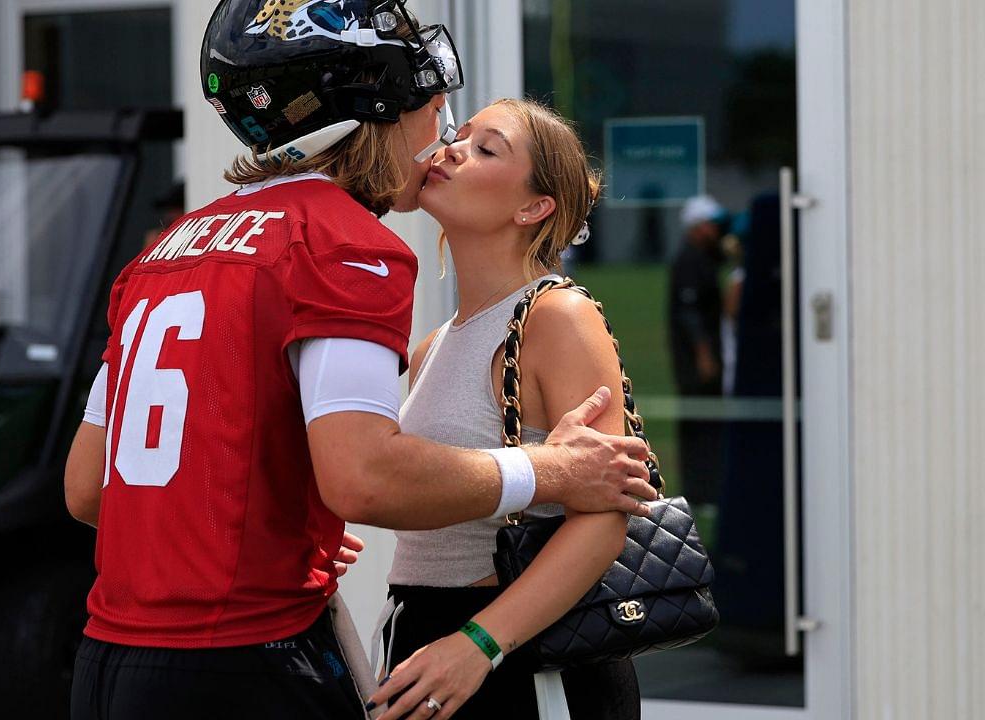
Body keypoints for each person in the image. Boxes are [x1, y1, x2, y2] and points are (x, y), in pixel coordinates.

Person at [63, 4, 656, 718]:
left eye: (478, 142)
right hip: (248, 655)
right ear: (368, 105)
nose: (439, 141)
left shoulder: (167, 247)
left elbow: (90, 489)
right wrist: (549, 470)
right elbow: (364, 477)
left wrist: (281, 520)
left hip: (111, 655)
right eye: (434, 111)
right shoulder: (342, 242)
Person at [364, 99, 642, 720]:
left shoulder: (558, 317)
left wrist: (479, 645)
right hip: (426, 637)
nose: (452, 150)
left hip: (524, 654)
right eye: (457, 137)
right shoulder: (434, 345)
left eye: (487, 148)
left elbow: (605, 516)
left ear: (532, 207)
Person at [668, 194, 728, 510]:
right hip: (694, 362)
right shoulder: (690, 260)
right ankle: (700, 490)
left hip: (699, 357)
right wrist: (704, 356)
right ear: (697, 227)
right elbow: (688, 314)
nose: (716, 231)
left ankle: (707, 488)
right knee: (699, 425)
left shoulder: (702, 257)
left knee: (706, 424)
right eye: (710, 225)